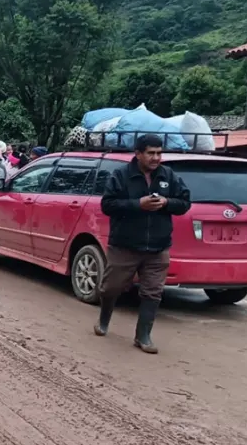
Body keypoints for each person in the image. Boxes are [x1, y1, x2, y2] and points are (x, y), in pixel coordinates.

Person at [95, 134, 191, 354]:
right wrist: (138, 205)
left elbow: (185, 202)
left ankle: (143, 336)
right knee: (111, 288)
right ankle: (103, 319)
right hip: (125, 245)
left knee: (153, 292)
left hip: (158, 247)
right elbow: (108, 205)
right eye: (151, 153)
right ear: (138, 154)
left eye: (159, 153)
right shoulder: (121, 175)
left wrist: (167, 202)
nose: (156, 158)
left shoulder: (169, 175)